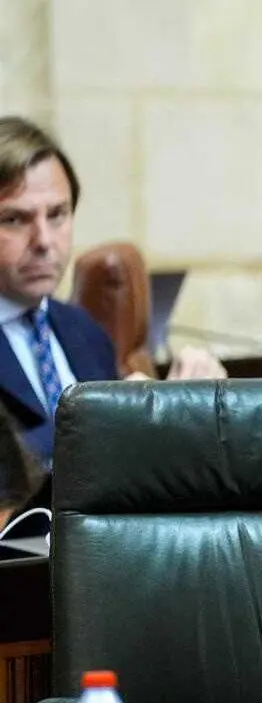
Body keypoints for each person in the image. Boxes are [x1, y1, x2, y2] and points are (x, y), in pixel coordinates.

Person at [0, 116, 226, 472]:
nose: (44, 240)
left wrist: (185, 412)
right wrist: (113, 420)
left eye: (57, 214)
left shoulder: (84, 331)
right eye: (15, 219)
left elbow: (124, 471)